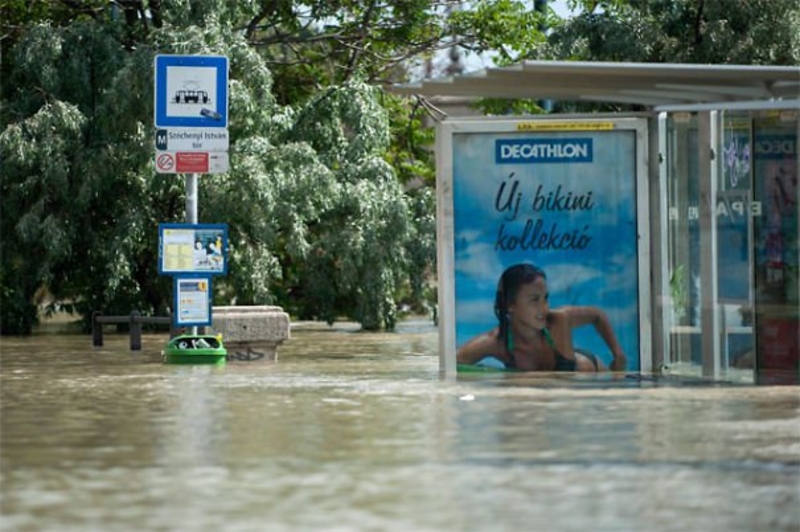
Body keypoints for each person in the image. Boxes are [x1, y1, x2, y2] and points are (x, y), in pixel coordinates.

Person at [457, 263, 627, 372]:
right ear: (510, 305)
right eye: (534, 300)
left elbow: (597, 315)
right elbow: (455, 365)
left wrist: (618, 354)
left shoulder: (559, 319)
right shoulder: (496, 342)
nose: (544, 308)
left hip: (591, 372)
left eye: (545, 298)